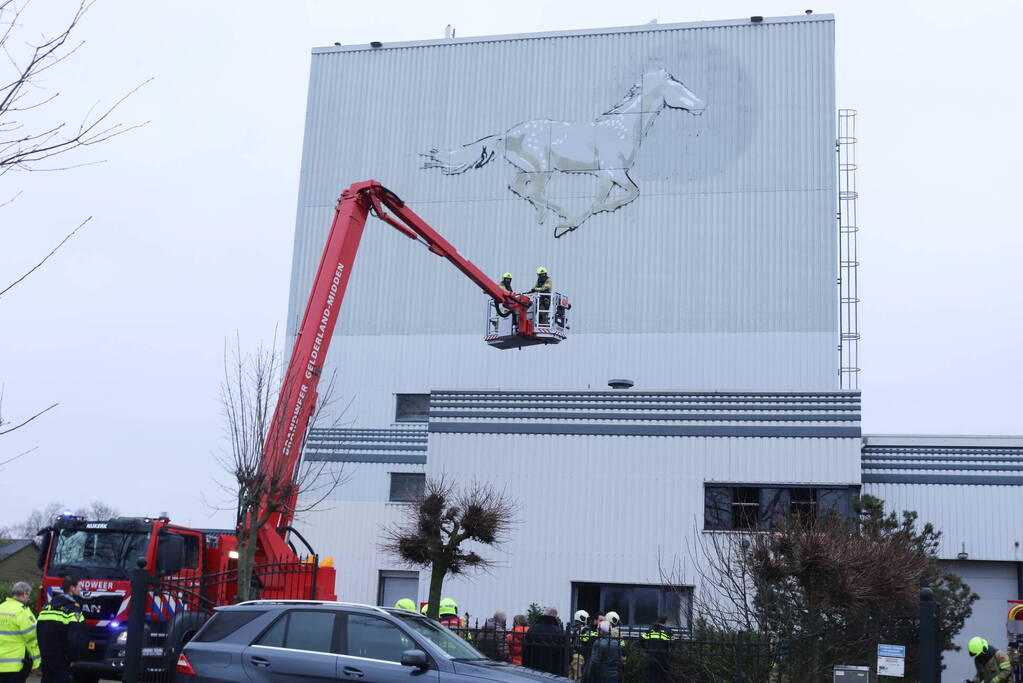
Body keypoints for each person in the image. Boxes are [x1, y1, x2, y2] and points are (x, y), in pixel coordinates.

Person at [37, 576, 85, 683]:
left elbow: (39, 632)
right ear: (72, 588)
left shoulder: (47, 607)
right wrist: (74, 658)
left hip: (46, 657)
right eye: (79, 586)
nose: (81, 589)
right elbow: (74, 636)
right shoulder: (73, 608)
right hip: (63, 659)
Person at [0, 581, 40, 683]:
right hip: (15, 664)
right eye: (28, 596)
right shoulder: (22, 611)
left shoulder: (1, 607)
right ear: (25, 594)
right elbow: (32, 635)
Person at [522, 607, 566, 676]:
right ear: (555, 617)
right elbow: (567, 655)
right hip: (554, 673)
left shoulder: (532, 629)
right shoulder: (561, 632)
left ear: (544, 614)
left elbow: (525, 651)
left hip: (534, 671)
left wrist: (526, 666)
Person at [640, 615, 673, 683]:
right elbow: (672, 643)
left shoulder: (651, 629)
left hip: (652, 657)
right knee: (663, 679)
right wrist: (669, 654)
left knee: (652, 679)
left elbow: (641, 640)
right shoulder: (668, 630)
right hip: (663, 658)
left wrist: (647, 650)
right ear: (665, 621)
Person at [569, 609, 598, 680]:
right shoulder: (583, 629)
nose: (588, 621)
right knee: (579, 678)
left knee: (569, 678)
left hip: (570, 656)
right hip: (580, 658)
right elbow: (590, 637)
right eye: (587, 618)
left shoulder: (570, 628)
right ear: (582, 618)